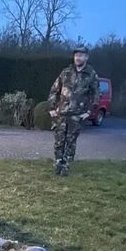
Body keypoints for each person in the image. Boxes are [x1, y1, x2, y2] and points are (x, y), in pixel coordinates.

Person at [48, 46, 100, 176]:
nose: (78, 58)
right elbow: (54, 90)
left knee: (71, 142)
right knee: (59, 141)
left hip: (77, 115)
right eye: (76, 55)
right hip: (62, 113)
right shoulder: (66, 72)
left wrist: (89, 112)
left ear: (86, 57)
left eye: (81, 55)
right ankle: (58, 164)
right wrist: (52, 108)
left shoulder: (91, 75)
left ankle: (66, 166)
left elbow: (96, 95)